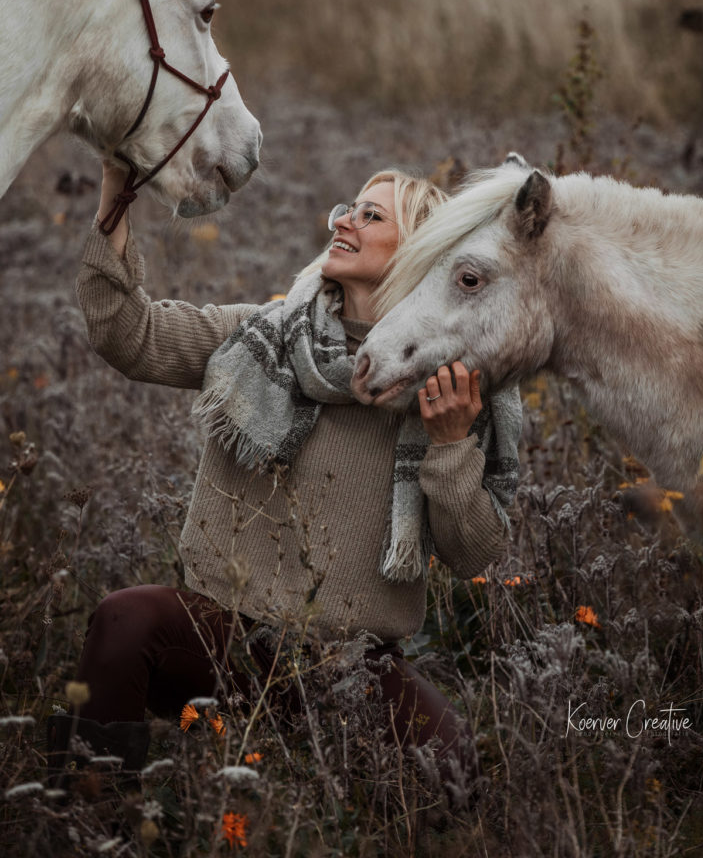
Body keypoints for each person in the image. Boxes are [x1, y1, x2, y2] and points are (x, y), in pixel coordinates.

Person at [48, 161, 522, 793]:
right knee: (124, 620)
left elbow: (474, 554)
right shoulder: (266, 336)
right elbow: (129, 334)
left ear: (422, 253)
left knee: (454, 773)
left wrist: (450, 442)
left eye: (371, 215)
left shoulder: (450, 389)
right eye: (347, 208)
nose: (344, 221)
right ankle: (88, 815)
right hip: (228, 639)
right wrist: (114, 201)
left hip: (350, 666)